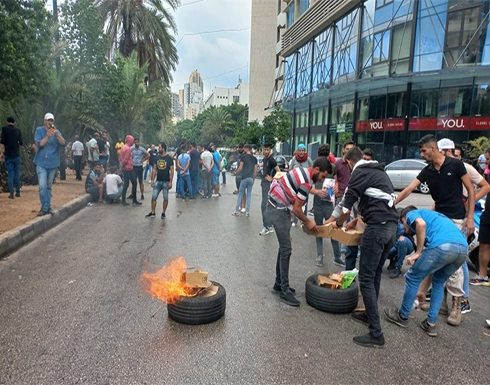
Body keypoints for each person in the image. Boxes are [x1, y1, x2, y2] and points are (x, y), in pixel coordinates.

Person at [394, 135, 475, 327]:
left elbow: (471, 190)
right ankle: (439, 305)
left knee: (453, 270)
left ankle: (457, 305)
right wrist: (392, 203)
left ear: (433, 148)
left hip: (455, 218)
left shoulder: (455, 165)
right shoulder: (427, 171)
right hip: (438, 216)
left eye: (423, 151)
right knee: (436, 263)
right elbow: (409, 188)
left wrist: (470, 217)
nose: (421, 154)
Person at [330, 146, 398, 348]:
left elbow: (345, 206)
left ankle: (376, 333)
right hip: (391, 228)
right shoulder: (379, 172)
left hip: (377, 229)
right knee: (375, 273)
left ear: (349, 162)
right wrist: (358, 219)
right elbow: (378, 200)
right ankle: (369, 314)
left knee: (366, 278)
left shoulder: (359, 173)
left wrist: (339, 224)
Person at [384, 206, 467, 337]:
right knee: (438, 282)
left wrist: (418, 251)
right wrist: (422, 291)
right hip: (462, 249)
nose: (405, 228)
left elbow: (420, 224)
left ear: (405, 218)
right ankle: (430, 324)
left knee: (412, 278)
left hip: (444, 245)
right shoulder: (434, 219)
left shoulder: (412, 213)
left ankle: (402, 316)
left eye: (403, 223)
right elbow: (431, 266)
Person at [267, 156, 331, 307]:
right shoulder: (306, 182)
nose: (322, 179)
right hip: (278, 210)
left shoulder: (302, 171)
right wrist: (308, 220)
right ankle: (284, 291)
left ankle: (279, 283)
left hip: (276, 207)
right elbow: (297, 209)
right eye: (322, 176)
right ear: (316, 169)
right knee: (286, 250)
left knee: (284, 248)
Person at [313, 144, 342, 267]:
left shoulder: (333, 167)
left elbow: (336, 181)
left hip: (329, 203)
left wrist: (336, 187)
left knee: (332, 229)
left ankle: (337, 256)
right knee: (318, 229)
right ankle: (319, 255)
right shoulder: (316, 166)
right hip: (318, 202)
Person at [33, 113, 66, 216]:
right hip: (41, 163)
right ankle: (44, 207)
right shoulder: (39, 130)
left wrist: (56, 135)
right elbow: (40, 144)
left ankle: (47, 207)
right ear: (45, 121)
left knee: (48, 186)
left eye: (52, 120)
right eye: (48, 120)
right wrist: (47, 136)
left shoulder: (57, 132)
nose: (50, 122)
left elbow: (63, 143)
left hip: (53, 163)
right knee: (42, 186)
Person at [146, 142, 174, 219]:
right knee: (153, 197)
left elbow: (172, 171)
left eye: (160, 147)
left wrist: (171, 182)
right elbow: (154, 169)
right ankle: (153, 212)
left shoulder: (169, 158)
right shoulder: (157, 158)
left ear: (164, 148)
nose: (158, 149)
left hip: (166, 181)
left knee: (165, 198)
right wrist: (152, 180)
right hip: (158, 181)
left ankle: (163, 213)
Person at [259, 143, 280, 235]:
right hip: (264, 184)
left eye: (268, 150)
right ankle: (269, 225)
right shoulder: (265, 159)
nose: (266, 151)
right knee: (266, 206)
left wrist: (272, 179)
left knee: (264, 206)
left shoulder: (272, 160)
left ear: (270, 150)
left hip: (269, 185)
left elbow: (279, 172)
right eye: (265, 149)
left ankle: (267, 226)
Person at [231, 144, 258, 217]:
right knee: (249, 194)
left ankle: (236, 210)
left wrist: (236, 172)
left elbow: (240, 168)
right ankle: (247, 211)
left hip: (244, 178)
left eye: (244, 148)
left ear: (246, 149)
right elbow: (255, 171)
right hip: (250, 178)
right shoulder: (254, 159)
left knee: (240, 193)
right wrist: (253, 179)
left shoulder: (243, 157)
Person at [0, 117, 23, 199]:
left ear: (7, 122)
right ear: (14, 122)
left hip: (8, 155)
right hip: (16, 154)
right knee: (17, 174)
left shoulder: (4, 129)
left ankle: (11, 194)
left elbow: (2, 142)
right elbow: (21, 142)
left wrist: (1, 153)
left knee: (10, 174)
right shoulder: (18, 130)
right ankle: (18, 192)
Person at [120, 135, 142, 206]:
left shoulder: (123, 147)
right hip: (129, 169)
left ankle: (123, 200)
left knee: (126, 184)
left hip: (125, 169)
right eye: (132, 141)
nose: (133, 142)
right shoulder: (128, 149)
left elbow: (121, 158)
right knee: (134, 183)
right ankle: (134, 200)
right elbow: (126, 160)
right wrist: (123, 166)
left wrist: (122, 167)